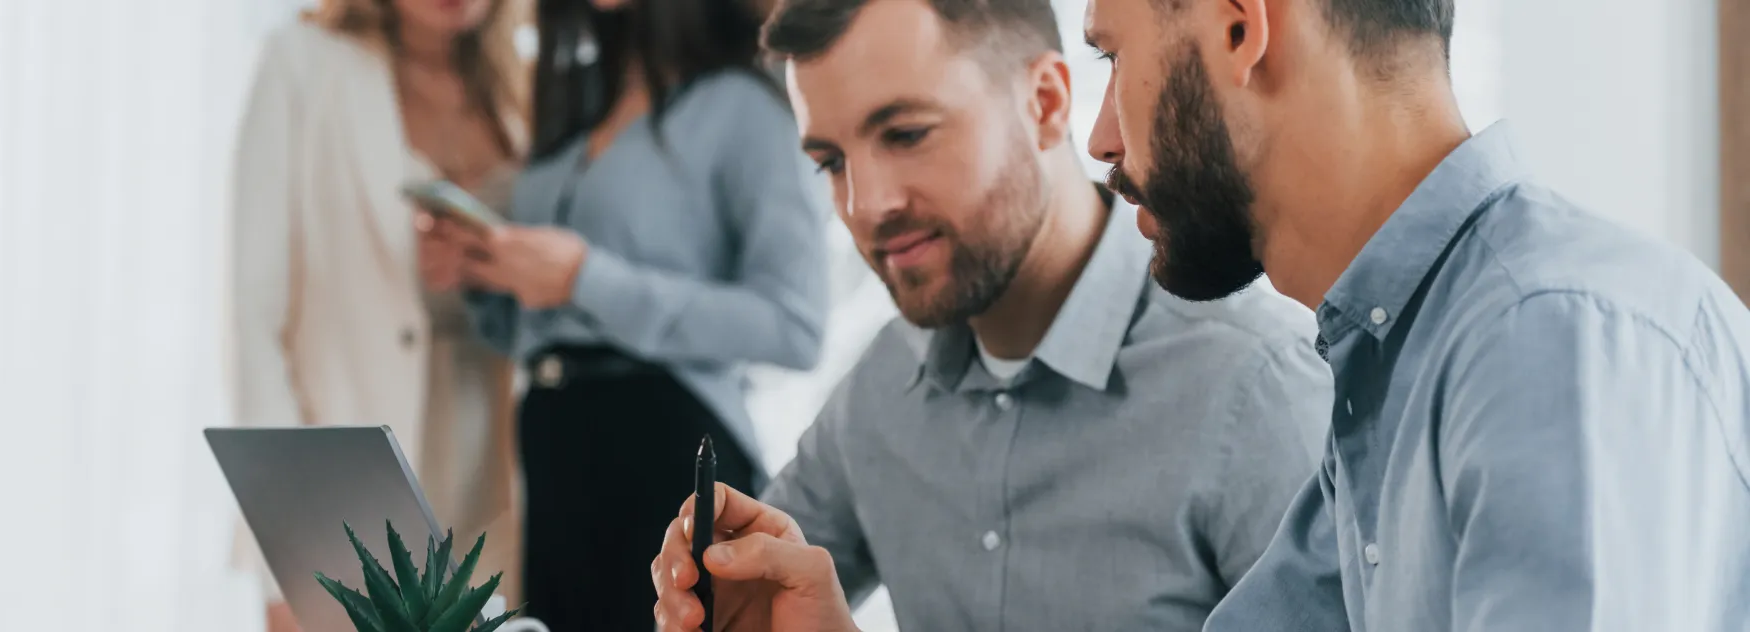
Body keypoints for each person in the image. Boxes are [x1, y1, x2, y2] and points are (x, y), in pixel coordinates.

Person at [652, 0, 1750, 628]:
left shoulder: (1546, 336)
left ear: (1239, 25)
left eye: (1113, 56)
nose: (1099, 141)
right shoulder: (1388, 367)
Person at [646, 0, 1335, 627]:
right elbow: (749, 597)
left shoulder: (1259, 389)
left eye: (906, 134)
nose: (865, 205)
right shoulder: (881, 390)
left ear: (1045, 103)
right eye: (830, 161)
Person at [412, 0, 831, 624]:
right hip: (552, 439)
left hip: (663, 443)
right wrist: (482, 274)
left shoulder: (746, 106)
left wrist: (586, 279)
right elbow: (539, 327)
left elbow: (793, 326)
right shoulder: (573, 103)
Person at [228, 0, 531, 629]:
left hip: (493, 488)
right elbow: (252, 323)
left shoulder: (521, 87)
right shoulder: (303, 66)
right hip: (344, 491)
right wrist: (289, 545)